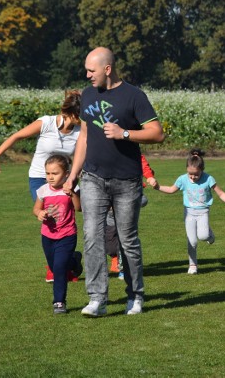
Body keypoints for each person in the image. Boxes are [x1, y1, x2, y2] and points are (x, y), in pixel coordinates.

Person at [64, 47, 164, 317]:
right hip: (93, 178)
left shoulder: (134, 96)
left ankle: (135, 295)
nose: (87, 75)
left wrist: (125, 133)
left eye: (92, 70)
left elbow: (157, 133)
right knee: (92, 237)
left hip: (127, 181)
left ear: (107, 69)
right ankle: (97, 298)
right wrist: (73, 174)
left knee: (127, 240)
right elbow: (84, 136)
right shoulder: (87, 96)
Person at [0, 90, 81, 283]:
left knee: (72, 215)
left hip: (66, 179)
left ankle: (67, 262)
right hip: (40, 177)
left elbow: (83, 156)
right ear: (71, 113)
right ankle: (58, 266)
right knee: (50, 216)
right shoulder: (46, 123)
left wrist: (73, 179)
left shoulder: (81, 132)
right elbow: (16, 137)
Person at [153, 149, 225, 274]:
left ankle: (209, 234)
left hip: (203, 212)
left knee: (203, 236)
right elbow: (171, 189)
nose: (193, 177)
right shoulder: (183, 179)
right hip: (189, 213)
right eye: (190, 174)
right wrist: (158, 187)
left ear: (202, 170)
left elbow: (220, 193)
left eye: (196, 174)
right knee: (192, 241)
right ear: (186, 169)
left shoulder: (208, 179)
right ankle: (192, 265)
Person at [32, 155, 83, 315]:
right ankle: (74, 261)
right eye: (48, 173)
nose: (50, 177)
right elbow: (35, 209)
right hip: (47, 236)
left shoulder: (72, 188)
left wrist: (72, 193)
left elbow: (78, 208)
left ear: (66, 174)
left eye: (55, 173)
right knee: (55, 267)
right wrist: (39, 213)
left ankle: (59, 302)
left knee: (59, 268)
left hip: (67, 235)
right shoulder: (43, 190)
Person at [106, 155, 157, 280]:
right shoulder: (106, 154)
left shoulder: (133, 153)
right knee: (110, 241)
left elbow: (143, 164)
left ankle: (125, 269)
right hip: (109, 207)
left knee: (126, 237)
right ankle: (115, 259)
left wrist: (149, 177)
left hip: (128, 199)